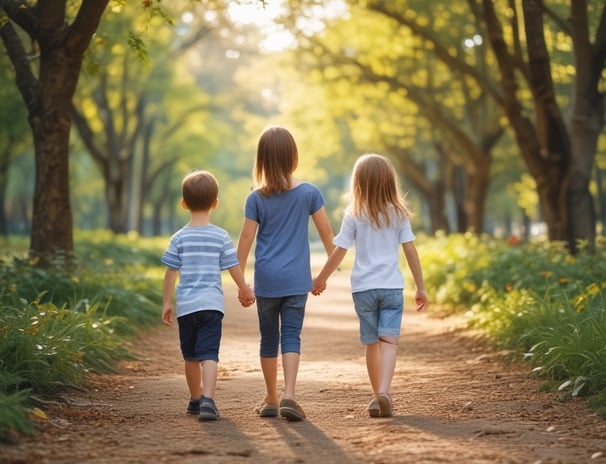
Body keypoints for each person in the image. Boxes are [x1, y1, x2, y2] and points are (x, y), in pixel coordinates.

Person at [311, 153, 428, 418]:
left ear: (358, 183)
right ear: (389, 181)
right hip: (391, 288)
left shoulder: (354, 213)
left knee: (372, 344)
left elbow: (339, 250)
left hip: (363, 289)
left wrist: (321, 279)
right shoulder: (398, 213)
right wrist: (421, 287)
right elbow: (410, 250)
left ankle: (377, 396)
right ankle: (385, 391)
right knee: (389, 341)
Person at [237, 125, 334, 421]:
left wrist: (241, 282)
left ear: (261, 160)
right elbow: (329, 234)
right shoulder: (309, 193)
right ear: (293, 156)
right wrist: (324, 275)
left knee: (268, 338)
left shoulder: (255, 198)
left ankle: (270, 398)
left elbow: (245, 240)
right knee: (291, 335)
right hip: (295, 281)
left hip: (267, 280)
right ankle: (289, 396)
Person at [162, 170, 255, 421]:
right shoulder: (220, 236)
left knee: (190, 356)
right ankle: (208, 400)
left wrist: (167, 302)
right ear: (215, 203)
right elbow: (233, 266)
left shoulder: (178, 238)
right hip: (212, 306)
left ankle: (194, 399)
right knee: (209, 354)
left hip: (187, 307)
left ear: (184, 204)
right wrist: (244, 289)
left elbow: (170, 272)